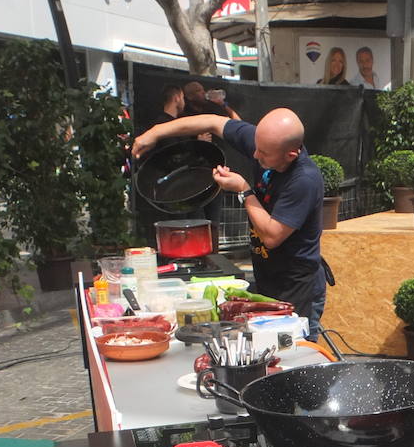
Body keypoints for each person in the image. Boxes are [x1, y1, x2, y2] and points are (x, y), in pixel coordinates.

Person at [133, 107, 326, 329]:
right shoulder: (266, 143)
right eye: (256, 147)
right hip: (268, 275)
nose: (255, 155)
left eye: (263, 153)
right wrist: (156, 132)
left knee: (293, 351)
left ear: (290, 154)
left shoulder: (304, 180)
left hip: (296, 284)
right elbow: (213, 121)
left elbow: (272, 236)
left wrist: (244, 190)